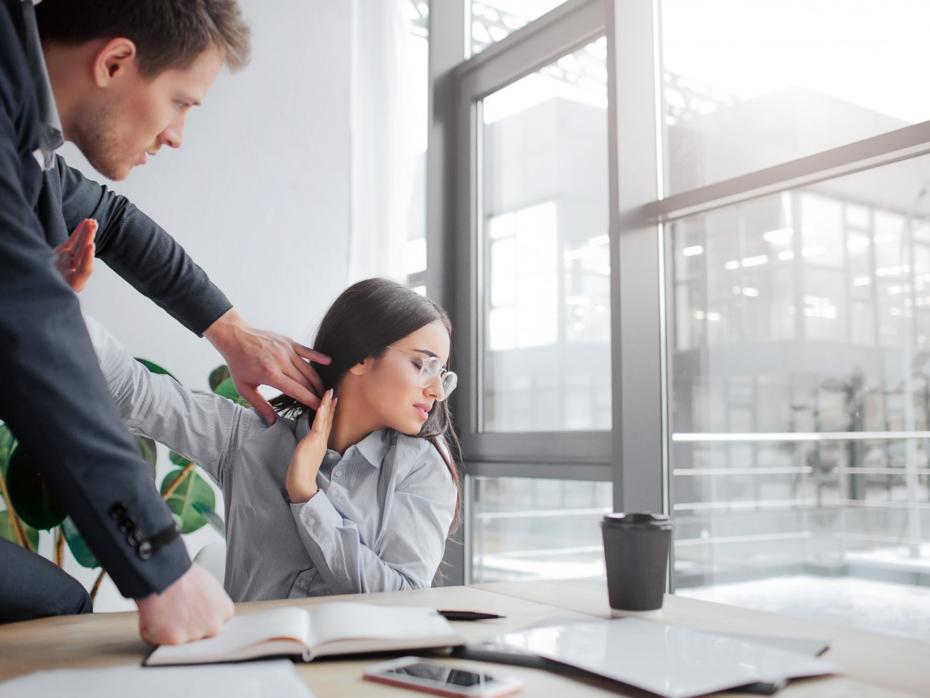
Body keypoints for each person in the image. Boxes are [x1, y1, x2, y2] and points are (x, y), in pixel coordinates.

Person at [0, 0, 329, 644]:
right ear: (116, 61)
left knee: (54, 600)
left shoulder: (25, 141)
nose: (177, 134)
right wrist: (163, 565)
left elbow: (113, 223)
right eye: (182, 101)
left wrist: (232, 334)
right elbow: (33, 335)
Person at [83, 278, 461, 601]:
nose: (436, 390)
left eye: (441, 374)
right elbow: (134, 391)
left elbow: (405, 598)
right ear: (362, 356)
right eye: (422, 365)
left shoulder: (423, 468)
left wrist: (306, 496)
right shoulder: (247, 439)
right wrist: (46, 297)